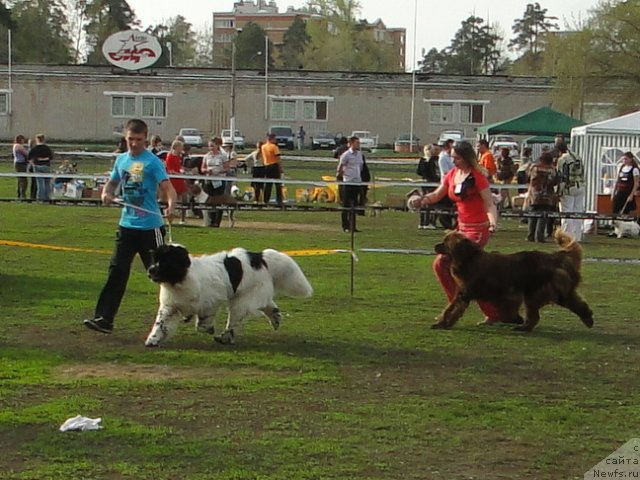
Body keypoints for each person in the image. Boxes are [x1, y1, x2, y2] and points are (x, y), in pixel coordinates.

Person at [83, 118, 177, 334]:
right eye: (130, 139)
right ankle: (104, 318)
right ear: (125, 138)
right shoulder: (121, 160)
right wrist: (107, 193)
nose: (134, 144)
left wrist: (171, 206)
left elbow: (168, 188)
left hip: (150, 228)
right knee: (117, 271)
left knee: (162, 272)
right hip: (127, 226)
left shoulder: (153, 162)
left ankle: (184, 307)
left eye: (139, 140)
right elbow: (113, 183)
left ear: (145, 139)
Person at [411, 141, 504, 326]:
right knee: (456, 270)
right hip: (461, 230)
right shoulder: (452, 175)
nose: (453, 161)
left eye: (457, 158)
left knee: (451, 266)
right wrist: (422, 200)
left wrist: (492, 223)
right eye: (452, 157)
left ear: (467, 157)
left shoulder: (478, 177)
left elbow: (489, 204)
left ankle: (461, 306)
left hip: (478, 230)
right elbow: (437, 194)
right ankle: (465, 305)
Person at [556, 142, 586, 242]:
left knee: (566, 212)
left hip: (569, 188)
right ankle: (577, 236)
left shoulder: (562, 160)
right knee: (578, 212)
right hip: (580, 185)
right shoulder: (577, 156)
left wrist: (559, 191)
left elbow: (562, 176)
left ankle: (566, 236)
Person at [526, 152, 558, 243]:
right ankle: (539, 237)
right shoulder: (552, 170)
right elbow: (555, 181)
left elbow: (528, 178)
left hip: (534, 195)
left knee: (532, 215)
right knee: (543, 216)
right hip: (546, 196)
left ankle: (530, 236)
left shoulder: (534, 167)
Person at [201, 137, 231, 227]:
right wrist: (206, 171)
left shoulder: (223, 156)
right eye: (209, 146)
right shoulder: (206, 156)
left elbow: (227, 168)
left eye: (212, 146)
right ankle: (211, 220)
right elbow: (202, 168)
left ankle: (217, 222)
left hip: (219, 181)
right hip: (209, 181)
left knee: (218, 200)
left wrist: (219, 171)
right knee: (210, 200)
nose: (211, 148)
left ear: (217, 146)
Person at [337, 136, 364, 233]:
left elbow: (360, 166)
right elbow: (339, 168)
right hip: (348, 182)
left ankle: (353, 226)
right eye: (357, 143)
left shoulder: (359, 154)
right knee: (346, 205)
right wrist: (345, 176)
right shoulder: (346, 155)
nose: (358, 144)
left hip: (357, 182)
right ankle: (345, 226)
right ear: (351, 143)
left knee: (354, 205)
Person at [416, 144, 441, 229]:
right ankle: (429, 222)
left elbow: (418, 172)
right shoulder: (433, 160)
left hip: (424, 182)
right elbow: (433, 173)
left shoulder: (422, 160)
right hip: (432, 183)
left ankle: (422, 222)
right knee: (431, 202)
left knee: (424, 202)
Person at [164, 139, 188, 224]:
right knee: (172, 199)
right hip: (173, 180)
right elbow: (170, 170)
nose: (181, 149)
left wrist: (182, 170)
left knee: (184, 199)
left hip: (180, 180)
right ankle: (169, 216)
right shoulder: (169, 156)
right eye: (180, 147)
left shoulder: (179, 156)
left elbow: (179, 166)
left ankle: (183, 219)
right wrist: (178, 173)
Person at [27, 134, 54, 201]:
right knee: (47, 183)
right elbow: (51, 157)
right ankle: (47, 197)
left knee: (40, 184)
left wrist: (35, 163)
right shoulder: (47, 148)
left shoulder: (34, 148)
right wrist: (45, 159)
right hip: (46, 166)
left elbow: (29, 158)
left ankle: (40, 198)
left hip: (37, 166)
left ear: (37, 139)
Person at [260, 133, 284, 206]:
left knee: (268, 184)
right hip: (274, 165)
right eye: (274, 139)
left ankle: (265, 200)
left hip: (266, 165)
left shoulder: (263, 147)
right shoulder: (274, 147)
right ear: (272, 139)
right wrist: (280, 167)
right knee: (278, 184)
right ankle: (279, 200)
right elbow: (278, 158)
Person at [12, 134, 29, 199]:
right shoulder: (19, 146)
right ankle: (22, 195)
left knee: (20, 179)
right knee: (23, 180)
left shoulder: (15, 145)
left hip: (17, 163)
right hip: (20, 164)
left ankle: (19, 194)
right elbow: (26, 154)